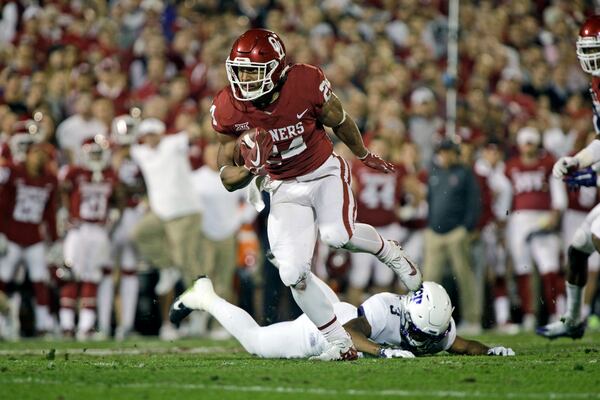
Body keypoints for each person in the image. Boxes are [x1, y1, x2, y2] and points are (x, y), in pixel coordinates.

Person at [204, 28, 422, 361]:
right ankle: (339, 341)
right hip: (282, 186)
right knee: (291, 272)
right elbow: (226, 177)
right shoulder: (229, 107)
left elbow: (340, 119)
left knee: (337, 235)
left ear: (275, 70)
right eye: (240, 70)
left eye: (253, 71)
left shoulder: (304, 82)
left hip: (323, 173)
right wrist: (252, 168)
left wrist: (362, 153)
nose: (244, 79)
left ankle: (389, 252)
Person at [170, 275, 514, 359]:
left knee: (338, 310)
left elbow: (462, 344)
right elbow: (346, 333)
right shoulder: (386, 308)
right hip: (333, 329)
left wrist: (490, 350)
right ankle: (205, 296)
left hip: (345, 316)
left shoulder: (433, 322)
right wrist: (383, 351)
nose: (424, 341)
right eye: (420, 334)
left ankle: (304, 274)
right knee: (256, 343)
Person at [538, 15, 600, 339]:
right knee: (577, 250)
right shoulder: (596, 83)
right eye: (589, 49)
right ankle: (574, 319)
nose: (593, 56)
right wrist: (577, 160)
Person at [130, 117, 203, 341]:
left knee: (186, 261)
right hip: (161, 215)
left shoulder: (173, 143)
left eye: (154, 133)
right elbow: (125, 149)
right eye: (147, 134)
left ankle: (200, 312)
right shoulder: (141, 152)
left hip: (185, 212)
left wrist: (190, 126)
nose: (151, 138)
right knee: (138, 234)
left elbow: (192, 132)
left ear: (161, 133)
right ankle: (166, 265)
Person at [0, 132, 58, 338]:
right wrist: (2, 233)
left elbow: (49, 213)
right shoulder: (14, 173)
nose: (39, 158)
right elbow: (3, 205)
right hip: (13, 235)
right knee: (3, 279)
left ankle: (44, 323)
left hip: (34, 237)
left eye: (43, 154)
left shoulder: (50, 179)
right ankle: (3, 322)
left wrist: (55, 238)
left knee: (40, 280)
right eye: (36, 153)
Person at [423, 138, 482, 334]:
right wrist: (430, 224)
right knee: (429, 279)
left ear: (455, 154)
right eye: (442, 152)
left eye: (448, 152)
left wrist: (467, 227)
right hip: (434, 232)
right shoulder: (435, 172)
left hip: (456, 232)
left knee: (464, 276)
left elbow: (473, 202)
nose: (445, 155)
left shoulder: (464, 173)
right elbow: (431, 201)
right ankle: (424, 319)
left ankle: (472, 319)